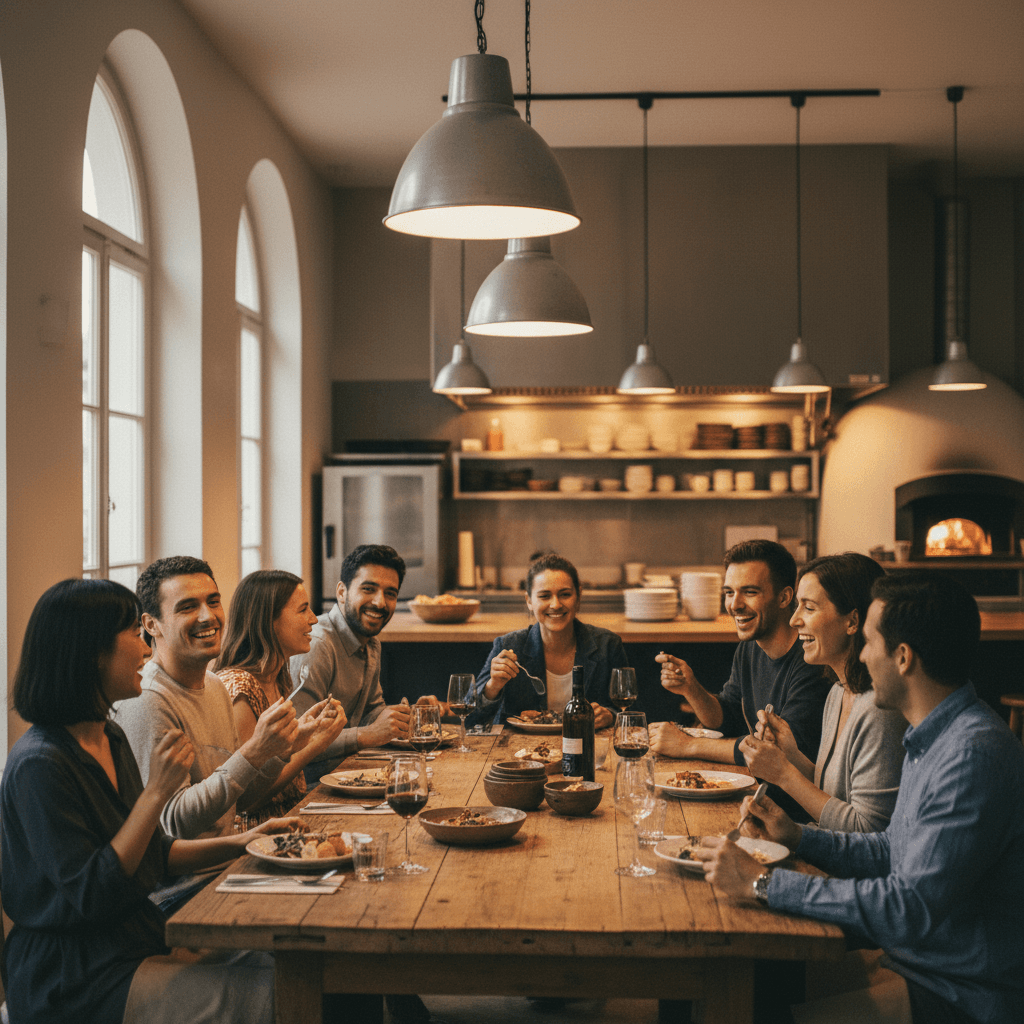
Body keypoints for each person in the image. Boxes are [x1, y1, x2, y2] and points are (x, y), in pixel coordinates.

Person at [695, 572, 1024, 1024]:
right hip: (912, 962)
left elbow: (908, 908)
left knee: (751, 1007)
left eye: (869, 642)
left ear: (903, 657)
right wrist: (798, 837)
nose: (863, 656)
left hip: (956, 993)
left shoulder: (971, 755)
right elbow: (892, 848)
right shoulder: (933, 734)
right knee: (740, 985)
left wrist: (764, 883)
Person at [0, 578, 305, 1024]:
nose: (146, 649)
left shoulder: (110, 735)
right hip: (76, 976)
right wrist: (158, 792)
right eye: (132, 634)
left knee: (306, 970)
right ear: (91, 652)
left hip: (135, 941)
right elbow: (93, 892)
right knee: (281, 998)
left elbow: (155, 854)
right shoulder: (38, 764)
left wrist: (245, 843)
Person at [114, 556, 300, 841]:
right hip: (191, 883)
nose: (208, 616)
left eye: (213, 602)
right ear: (151, 624)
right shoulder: (148, 698)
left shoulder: (214, 685)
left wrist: (274, 751)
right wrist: (253, 752)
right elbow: (174, 824)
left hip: (224, 865)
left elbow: (240, 801)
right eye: (188, 607)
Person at [739, 553, 906, 832]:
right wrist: (791, 755)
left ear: (852, 621)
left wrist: (784, 774)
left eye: (809, 608)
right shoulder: (838, 692)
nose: (794, 620)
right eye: (796, 607)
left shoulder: (879, 710)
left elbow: (868, 833)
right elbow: (832, 796)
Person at [650, 541, 832, 793]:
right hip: (754, 791)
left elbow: (777, 753)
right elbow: (726, 717)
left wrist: (687, 745)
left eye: (749, 592)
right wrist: (690, 688)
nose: (734, 605)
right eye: (729, 592)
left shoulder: (811, 661)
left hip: (788, 809)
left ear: (784, 597)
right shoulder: (750, 648)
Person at [213, 570, 348, 822]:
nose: (313, 619)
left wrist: (304, 731)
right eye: (303, 610)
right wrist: (316, 743)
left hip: (291, 817)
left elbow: (276, 761)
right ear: (268, 620)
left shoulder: (278, 677)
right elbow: (248, 801)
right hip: (257, 834)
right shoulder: (240, 686)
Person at [289, 544, 414, 782]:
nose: (380, 603)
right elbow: (299, 742)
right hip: (309, 789)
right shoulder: (317, 646)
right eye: (368, 589)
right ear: (342, 592)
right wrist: (367, 735)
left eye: (391, 593)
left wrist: (408, 716)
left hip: (352, 775)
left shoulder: (371, 643)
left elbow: (369, 711)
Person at [471, 552, 624, 729]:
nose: (556, 604)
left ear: (579, 596)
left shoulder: (607, 645)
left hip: (588, 748)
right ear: (529, 601)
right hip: (519, 752)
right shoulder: (509, 646)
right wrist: (492, 687)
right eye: (544, 596)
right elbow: (470, 720)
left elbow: (634, 711)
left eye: (565, 594)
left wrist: (611, 716)